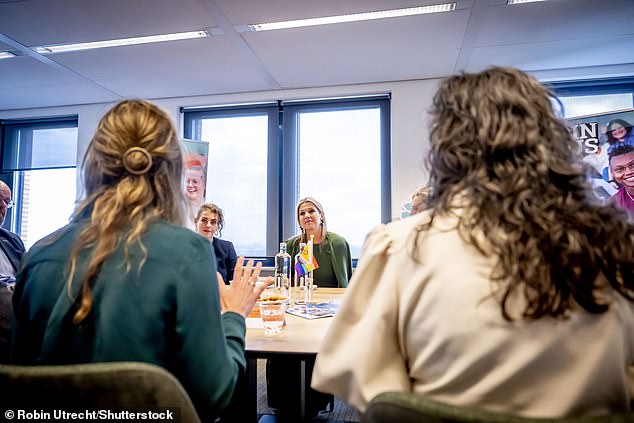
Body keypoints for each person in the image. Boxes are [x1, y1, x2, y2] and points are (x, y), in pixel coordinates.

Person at [312, 67, 634, 418]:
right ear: (553, 145)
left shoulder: (400, 245)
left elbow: (361, 385)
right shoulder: (616, 245)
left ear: (445, 152)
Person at [10, 99, 270, 421]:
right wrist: (234, 315)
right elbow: (214, 396)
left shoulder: (38, 255)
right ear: (171, 173)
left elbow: (19, 388)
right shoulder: (188, 253)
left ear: (94, 166)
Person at [285, 197, 352, 288]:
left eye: (311, 211)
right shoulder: (292, 244)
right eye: (302, 213)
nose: (307, 215)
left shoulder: (338, 244)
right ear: (299, 222)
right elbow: (288, 281)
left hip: (331, 300)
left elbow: (344, 285)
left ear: (321, 216)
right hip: (301, 299)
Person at [0, 180, 26, 363]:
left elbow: (28, 276)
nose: (2, 207)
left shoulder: (12, 240)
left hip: (16, 322)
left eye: (6, 202)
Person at [194, 203, 238, 283]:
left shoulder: (227, 248)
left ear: (218, 226)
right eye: (204, 220)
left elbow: (233, 282)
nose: (208, 225)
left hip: (221, 294)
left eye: (213, 222)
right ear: (196, 221)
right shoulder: (184, 247)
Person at [608, 144, 634, 214]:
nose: (628, 172)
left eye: (632, 165)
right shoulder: (612, 206)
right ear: (612, 173)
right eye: (620, 169)